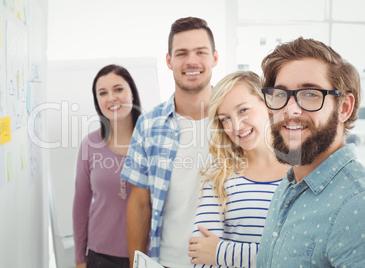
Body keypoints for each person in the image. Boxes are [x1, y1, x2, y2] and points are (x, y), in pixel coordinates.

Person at [256, 37, 365, 267]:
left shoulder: (358, 205)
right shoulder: (288, 185)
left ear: (344, 107)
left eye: (310, 94)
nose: (290, 110)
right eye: (280, 94)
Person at [120, 17, 219, 267]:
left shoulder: (241, 122)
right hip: (167, 262)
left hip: (226, 261)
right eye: (182, 53)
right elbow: (140, 203)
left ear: (214, 58)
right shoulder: (149, 124)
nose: (191, 61)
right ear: (169, 60)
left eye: (201, 52)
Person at [188, 71, 289, 267]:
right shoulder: (218, 174)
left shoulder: (304, 172)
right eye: (225, 118)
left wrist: (220, 252)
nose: (235, 125)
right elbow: (201, 255)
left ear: (267, 104)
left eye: (243, 110)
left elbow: (304, 256)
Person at [73, 64, 141, 268]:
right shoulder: (89, 144)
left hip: (146, 253)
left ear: (132, 94)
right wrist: (79, 259)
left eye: (118, 89)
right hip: (100, 256)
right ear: (97, 102)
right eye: (103, 93)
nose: (111, 98)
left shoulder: (152, 143)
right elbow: (81, 204)